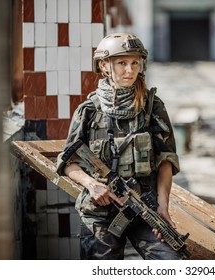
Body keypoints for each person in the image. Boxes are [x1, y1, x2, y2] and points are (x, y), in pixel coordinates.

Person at [56, 32, 184, 260]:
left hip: (145, 209)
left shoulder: (152, 107)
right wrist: (91, 184)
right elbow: (68, 163)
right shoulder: (89, 111)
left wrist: (163, 206)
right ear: (104, 66)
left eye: (135, 63)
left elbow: (166, 160)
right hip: (100, 214)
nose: (130, 70)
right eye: (122, 63)